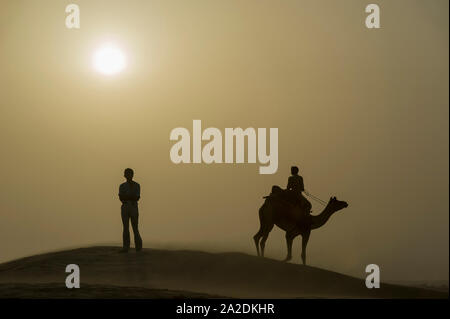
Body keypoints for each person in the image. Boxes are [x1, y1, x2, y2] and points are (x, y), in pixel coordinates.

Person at [118, 168, 143, 253]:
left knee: (135, 227)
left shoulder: (137, 185)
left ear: (132, 175)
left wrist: (128, 197)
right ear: (124, 175)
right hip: (125, 207)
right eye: (126, 174)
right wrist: (130, 197)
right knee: (125, 227)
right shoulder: (122, 186)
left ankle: (138, 247)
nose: (128, 175)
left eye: (129, 174)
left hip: (133, 207)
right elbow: (121, 197)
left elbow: (137, 197)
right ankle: (126, 247)